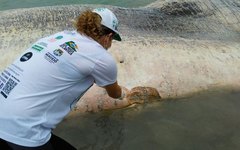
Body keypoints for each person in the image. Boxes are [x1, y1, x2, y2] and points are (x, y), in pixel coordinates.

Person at [0, 8, 129, 150]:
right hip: (23, 131)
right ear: (108, 36)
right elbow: (115, 93)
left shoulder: (59, 36)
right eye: (112, 40)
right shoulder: (101, 57)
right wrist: (124, 92)